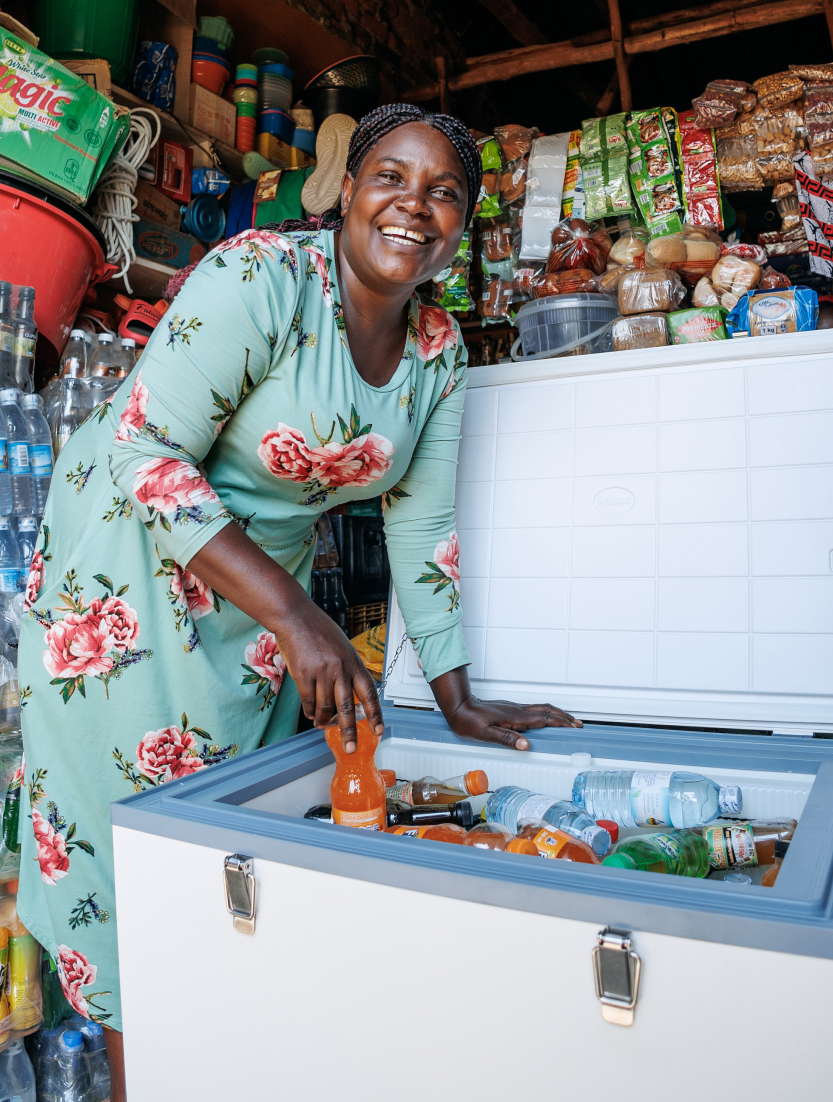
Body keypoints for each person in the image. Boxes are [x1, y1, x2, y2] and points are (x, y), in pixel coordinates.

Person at [17, 103, 580, 1098]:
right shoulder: (260, 278)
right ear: (348, 190)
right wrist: (301, 616)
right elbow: (144, 451)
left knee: (244, 826)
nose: (414, 206)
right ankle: (136, 1070)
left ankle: (231, 1049)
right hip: (131, 560)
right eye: (392, 178)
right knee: (134, 840)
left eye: (443, 191)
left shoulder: (438, 349)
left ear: (463, 221)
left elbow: (421, 520)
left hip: (260, 585)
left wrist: (454, 691)